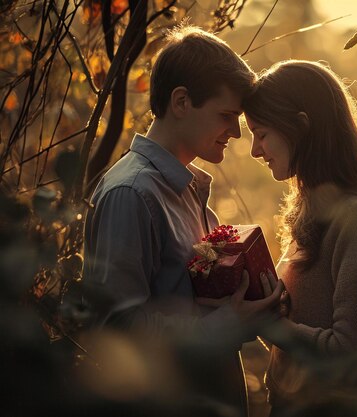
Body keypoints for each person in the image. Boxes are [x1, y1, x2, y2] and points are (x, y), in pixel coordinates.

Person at [82, 25, 283, 416]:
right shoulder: (132, 194)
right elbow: (113, 329)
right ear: (181, 102)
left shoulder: (187, 190)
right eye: (227, 115)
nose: (237, 133)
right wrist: (224, 324)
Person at [242, 60, 357, 413]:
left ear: (301, 127)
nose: (255, 150)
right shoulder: (311, 208)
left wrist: (271, 326)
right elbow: (302, 328)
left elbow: (355, 352)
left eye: (262, 133)